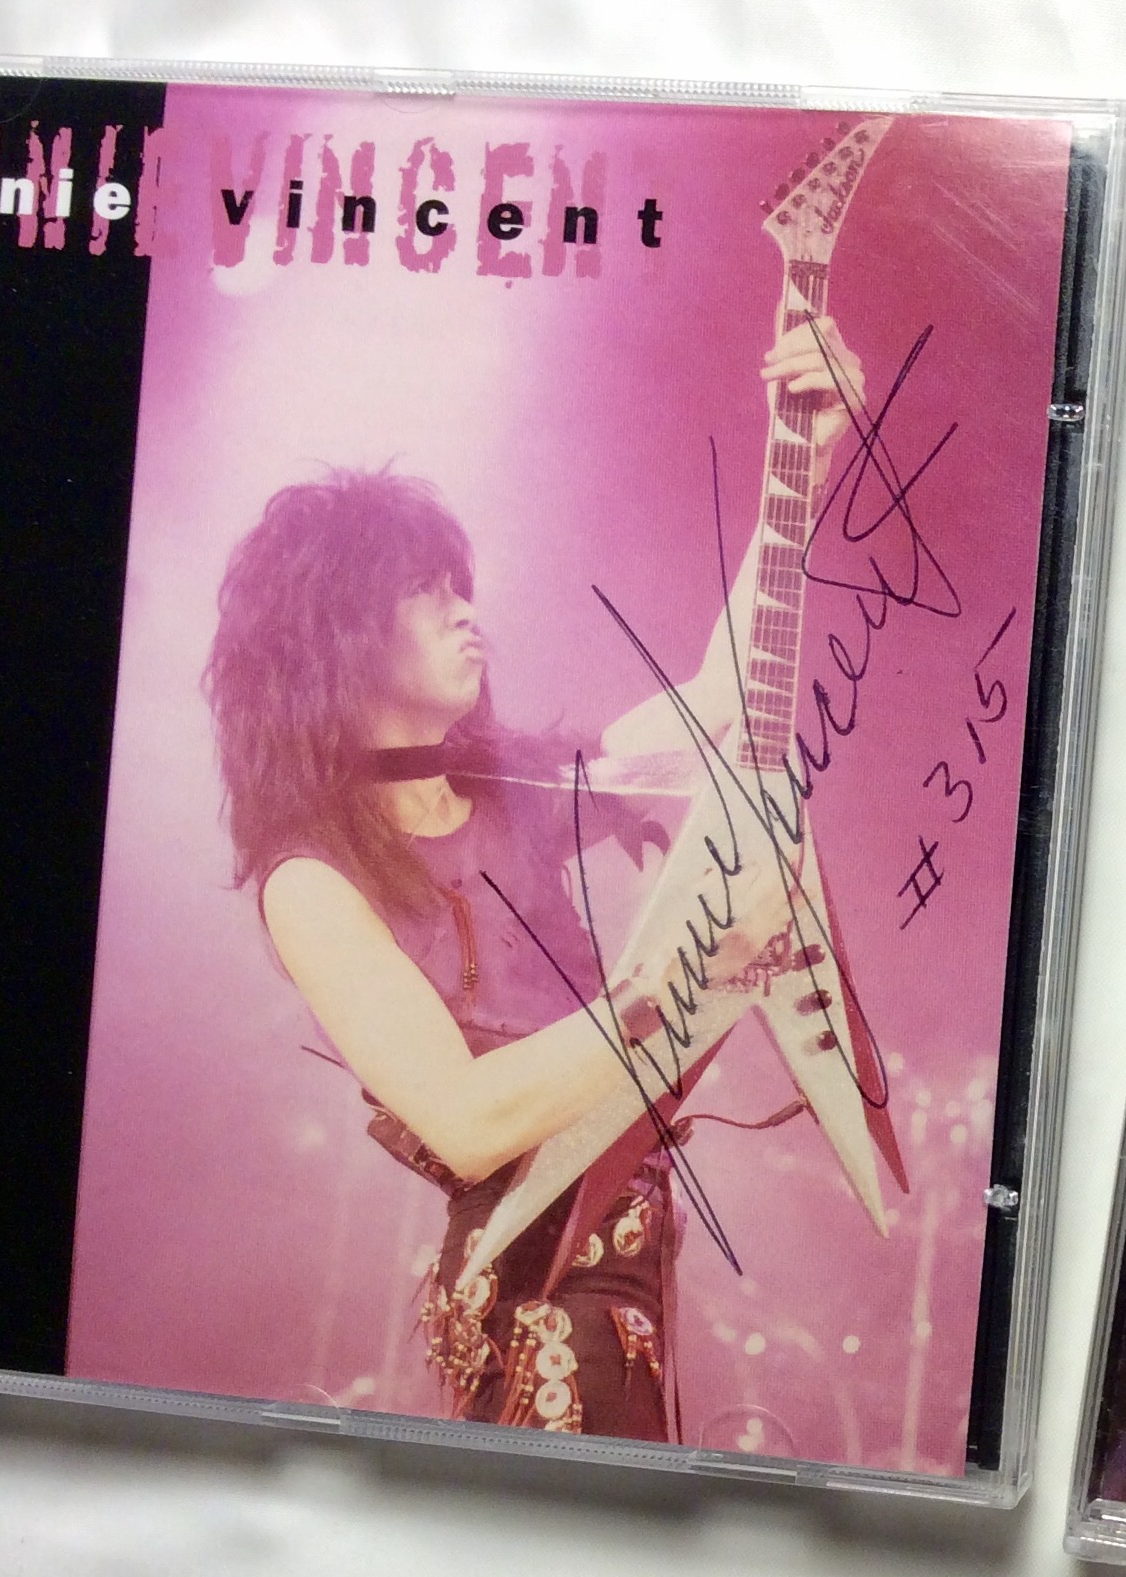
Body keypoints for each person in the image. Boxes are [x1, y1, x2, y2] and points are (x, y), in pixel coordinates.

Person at [204, 317, 864, 1442]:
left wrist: (800, 460)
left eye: (458, 583)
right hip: (533, 1307)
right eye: (425, 589)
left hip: (631, 1278)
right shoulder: (307, 882)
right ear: (335, 636)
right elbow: (468, 1120)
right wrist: (681, 972)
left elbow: (716, 699)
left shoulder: (507, 791)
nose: (466, 608)